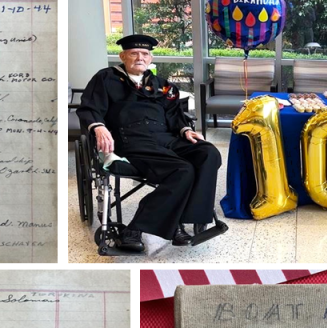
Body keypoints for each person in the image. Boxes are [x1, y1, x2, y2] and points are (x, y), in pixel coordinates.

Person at [76, 34, 222, 252]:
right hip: (132, 139)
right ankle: (136, 230)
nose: (139, 58)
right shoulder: (106, 78)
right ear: (123, 56)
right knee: (183, 170)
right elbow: (89, 107)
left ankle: (189, 216)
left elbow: (175, 112)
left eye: (144, 54)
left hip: (166, 138)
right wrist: (98, 127)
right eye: (134, 53)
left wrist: (185, 130)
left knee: (208, 153)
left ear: (151, 59)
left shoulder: (161, 85)